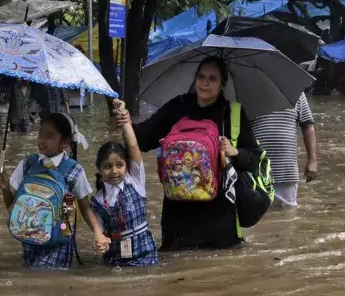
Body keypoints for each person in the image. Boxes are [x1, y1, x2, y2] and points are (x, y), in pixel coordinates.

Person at [113, 56, 263, 251]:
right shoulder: (178, 106)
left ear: (222, 85)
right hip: (177, 220)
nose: (205, 83)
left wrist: (236, 152)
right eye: (201, 76)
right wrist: (126, 121)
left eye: (212, 78)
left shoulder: (233, 114)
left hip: (219, 220)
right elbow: (143, 139)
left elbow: (256, 160)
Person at [0, 113, 109, 268]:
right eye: (40, 134)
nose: (41, 140)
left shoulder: (74, 170)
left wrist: (98, 233)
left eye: (49, 136)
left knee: (43, 279)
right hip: (30, 239)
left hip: (60, 243)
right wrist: (5, 188)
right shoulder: (28, 164)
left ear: (65, 142)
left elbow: (84, 207)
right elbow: (12, 207)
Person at [90, 99, 158, 266]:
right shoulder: (98, 201)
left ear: (127, 167)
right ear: (99, 169)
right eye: (108, 166)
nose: (114, 171)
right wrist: (100, 245)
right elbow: (99, 234)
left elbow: (133, 146)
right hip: (115, 259)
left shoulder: (135, 180)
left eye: (119, 165)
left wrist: (125, 120)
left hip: (145, 255)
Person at [250, 93, 317, 208]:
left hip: (286, 172)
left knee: (288, 219)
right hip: (257, 171)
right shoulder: (248, 94)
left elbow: (308, 127)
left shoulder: (296, 93)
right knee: (260, 217)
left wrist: (312, 159)